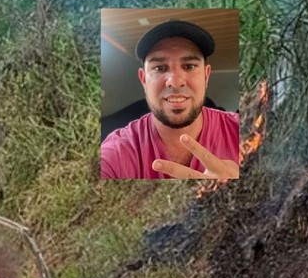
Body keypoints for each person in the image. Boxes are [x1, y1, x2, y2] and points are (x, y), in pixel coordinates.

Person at [101, 19, 239, 180]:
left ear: (206, 76)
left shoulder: (245, 131)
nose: (174, 81)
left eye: (189, 66)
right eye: (159, 68)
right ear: (144, 79)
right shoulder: (117, 152)